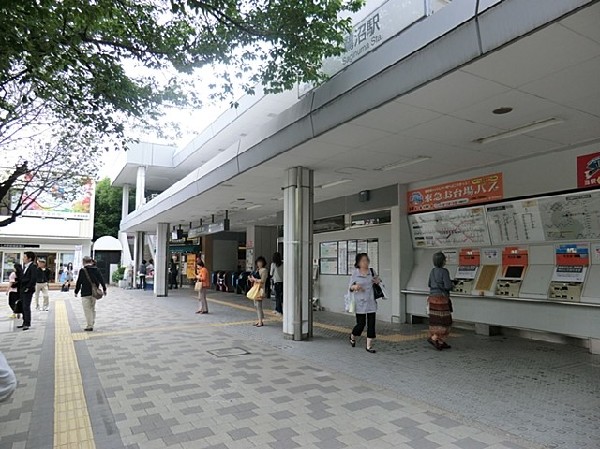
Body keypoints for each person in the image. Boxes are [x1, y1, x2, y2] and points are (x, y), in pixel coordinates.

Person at [348, 253, 381, 354]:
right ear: (358, 262)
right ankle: (353, 336)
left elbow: (379, 280)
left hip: (370, 301)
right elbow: (350, 287)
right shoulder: (355, 273)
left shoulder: (371, 271)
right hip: (360, 302)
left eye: (367, 260)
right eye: (363, 261)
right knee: (361, 324)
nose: (365, 262)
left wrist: (378, 281)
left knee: (371, 324)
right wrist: (355, 287)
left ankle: (369, 346)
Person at [427, 251, 454, 351]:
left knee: (435, 321)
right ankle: (434, 338)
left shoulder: (432, 271)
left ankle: (441, 342)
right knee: (445, 322)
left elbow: (429, 284)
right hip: (442, 300)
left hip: (432, 298)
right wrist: (452, 285)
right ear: (443, 261)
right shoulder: (444, 271)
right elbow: (448, 286)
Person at [74, 256, 107, 331]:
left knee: (87, 309)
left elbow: (79, 282)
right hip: (94, 293)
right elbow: (101, 279)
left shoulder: (82, 270)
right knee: (92, 308)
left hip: (85, 292)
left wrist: (76, 291)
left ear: (83, 262)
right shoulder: (96, 269)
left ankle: (90, 325)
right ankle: (92, 321)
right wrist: (104, 289)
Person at [18, 251, 38, 331]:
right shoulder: (25, 266)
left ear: (29, 259)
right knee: (23, 306)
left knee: (26, 306)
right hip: (22, 289)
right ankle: (24, 322)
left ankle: (27, 323)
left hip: (28, 290)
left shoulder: (33, 267)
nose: (23, 258)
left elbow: (33, 279)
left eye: (25, 257)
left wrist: (28, 287)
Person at [249, 256, 268, 327]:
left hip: (260, 289)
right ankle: (259, 319)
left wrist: (254, 279)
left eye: (260, 262)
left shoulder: (264, 270)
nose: (259, 264)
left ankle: (260, 321)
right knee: (256, 305)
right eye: (258, 262)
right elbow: (253, 278)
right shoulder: (257, 270)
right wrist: (251, 279)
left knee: (258, 305)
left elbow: (263, 280)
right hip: (255, 288)